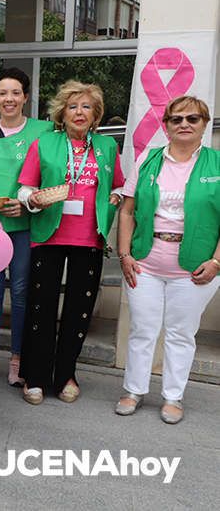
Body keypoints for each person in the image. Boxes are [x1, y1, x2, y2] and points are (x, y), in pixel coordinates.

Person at [16, 80, 124, 405]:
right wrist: (32, 199)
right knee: (41, 307)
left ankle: (66, 374)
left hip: (89, 238)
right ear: (62, 113)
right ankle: (35, 377)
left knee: (79, 311)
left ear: (96, 115)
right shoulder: (44, 143)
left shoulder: (107, 147)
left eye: (86, 107)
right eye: (73, 106)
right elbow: (23, 188)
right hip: (48, 235)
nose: (79, 112)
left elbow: (119, 185)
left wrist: (115, 200)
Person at [116, 95, 220, 424]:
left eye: (193, 118)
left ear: (205, 124)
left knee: (180, 333)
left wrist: (217, 261)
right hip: (146, 262)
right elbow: (128, 209)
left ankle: (173, 396)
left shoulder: (217, 164)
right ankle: (134, 390)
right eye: (177, 119)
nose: (185, 124)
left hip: (195, 267)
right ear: (166, 126)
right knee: (143, 330)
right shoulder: (148, 159)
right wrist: (124, 254)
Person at [0, 68, 53, 385]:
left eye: (16, 93)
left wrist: (29, 203)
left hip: (25, 227)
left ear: (26, 97)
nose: (9, 99)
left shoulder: (44, 133)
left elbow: (53, 180)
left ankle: (18, 357)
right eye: (3, 93)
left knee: (20, 293)